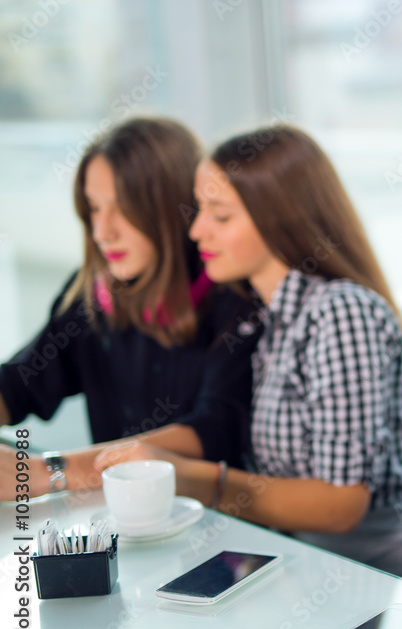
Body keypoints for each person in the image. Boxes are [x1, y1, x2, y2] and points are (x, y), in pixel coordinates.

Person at [96, 125, 402, 582]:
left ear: (279, 218)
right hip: (306, 566)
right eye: (200, 210)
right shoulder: (265, 316)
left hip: (383, 579)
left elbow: (340, 505)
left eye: (220, 215)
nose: (196, 230)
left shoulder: (341, 312)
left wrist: (186, 476)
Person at [0, 117, 258, 501]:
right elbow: (20, 383)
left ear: (176, 207)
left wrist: (49, 472)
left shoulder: (234, 299)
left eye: (123, 208)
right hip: (125, 518)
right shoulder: (90, 295)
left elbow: (215, 427)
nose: (103, 231)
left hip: (217, 525)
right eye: (94, 208)